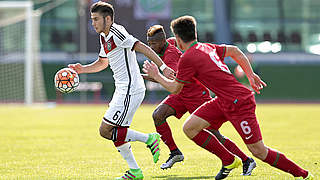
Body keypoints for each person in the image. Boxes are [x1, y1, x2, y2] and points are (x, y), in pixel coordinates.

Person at [143, 15, 313, 180]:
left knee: (259, 151)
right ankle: (229, 160)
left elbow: (174, 88)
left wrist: (156, 75)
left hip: (239, 102)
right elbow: (235, 51)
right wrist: (250, 74)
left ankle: (303, 175)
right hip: (222, 100)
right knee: (190, 127)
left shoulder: (187, 57)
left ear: (178, 38)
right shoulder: (206, 46)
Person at [68, 2, 174, 180]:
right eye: (91, 19)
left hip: (131, 89)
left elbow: (142, 47)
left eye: (96, 19)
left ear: (107, 19)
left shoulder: (117, 32)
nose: (93, 23)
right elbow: (103, 62)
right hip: (123, 89)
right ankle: (135, 172)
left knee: (106, 130)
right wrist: (82, 69)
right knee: (116, 132)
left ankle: (149, 139)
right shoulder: (104, 36)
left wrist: (162, 67)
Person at [143, 25, 257, 176]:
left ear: (162, 41)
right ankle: (175, 152)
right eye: (149, 43)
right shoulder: (170, 42)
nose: (151, 47)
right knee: (158, 115)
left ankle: (246, 160)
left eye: (154, 44)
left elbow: (172, 83)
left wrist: (146, 76)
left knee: (213, 133)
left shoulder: (170, 56)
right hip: (180, 95)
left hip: (196, 94)